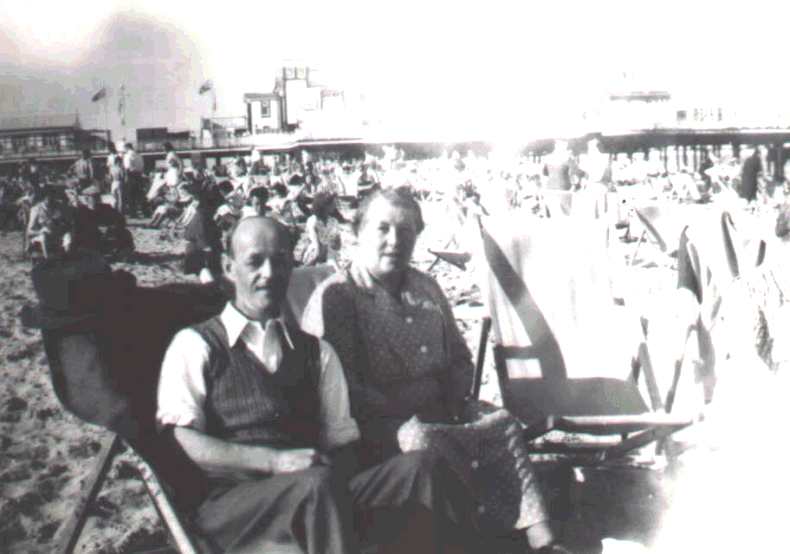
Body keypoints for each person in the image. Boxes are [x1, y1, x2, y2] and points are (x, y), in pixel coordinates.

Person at [157, 216, 477, 554]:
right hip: (234, 510)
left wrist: (349, 488)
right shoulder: (197, 345)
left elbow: (342, 445)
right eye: (255, 261)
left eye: (280, 261)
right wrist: (274, 462)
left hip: (314, 494)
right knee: (316, 486)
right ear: (228, 267)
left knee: (420, 467)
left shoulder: (316, 352)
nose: (269, 273)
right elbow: (184, 441)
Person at [302, 188, 569, 553]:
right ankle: (469, 535)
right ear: (357, 233)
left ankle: (543, 540)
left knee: (502, 424)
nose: (395, 240)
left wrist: (455, 394)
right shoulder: (338, 297)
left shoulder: (425, 287)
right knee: (422, 439)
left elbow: (458, 355)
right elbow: (339, 385)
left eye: (406, 231)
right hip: (376, 423)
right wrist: (402, 408)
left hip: (443, 406)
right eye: (382, 228)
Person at [294, 191, 342, 267]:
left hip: (330, 253)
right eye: (332, 204)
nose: (334, 206)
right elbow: (316, 245)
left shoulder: (334, 221)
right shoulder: (313, 221)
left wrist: (334, 245)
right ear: (324, 206)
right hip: (315, 252)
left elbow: (338, 244)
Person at [26, 186, 73, 259]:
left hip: (56, 233)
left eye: (53, 197)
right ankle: (47, 260)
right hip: (41, 235)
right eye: (48, 198)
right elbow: (29, 231)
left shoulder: (58, 206)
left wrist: (62, 224)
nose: (51, 200)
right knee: (44, 237)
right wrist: (41, 231)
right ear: (43, 198)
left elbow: (67, 223)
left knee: (68, 235)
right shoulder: (36, 209)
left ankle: (66, 258)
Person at [123, 143, 145, 216]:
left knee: (130, 195)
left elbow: (127, 167)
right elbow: (142, 166)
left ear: (127, 148)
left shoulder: (127, 155)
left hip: (131, 175)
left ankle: (133, 213)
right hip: (139, 175)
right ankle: (144, 211)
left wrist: (126, 177)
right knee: (139, 195)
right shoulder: (139, 155)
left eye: (125, 149)